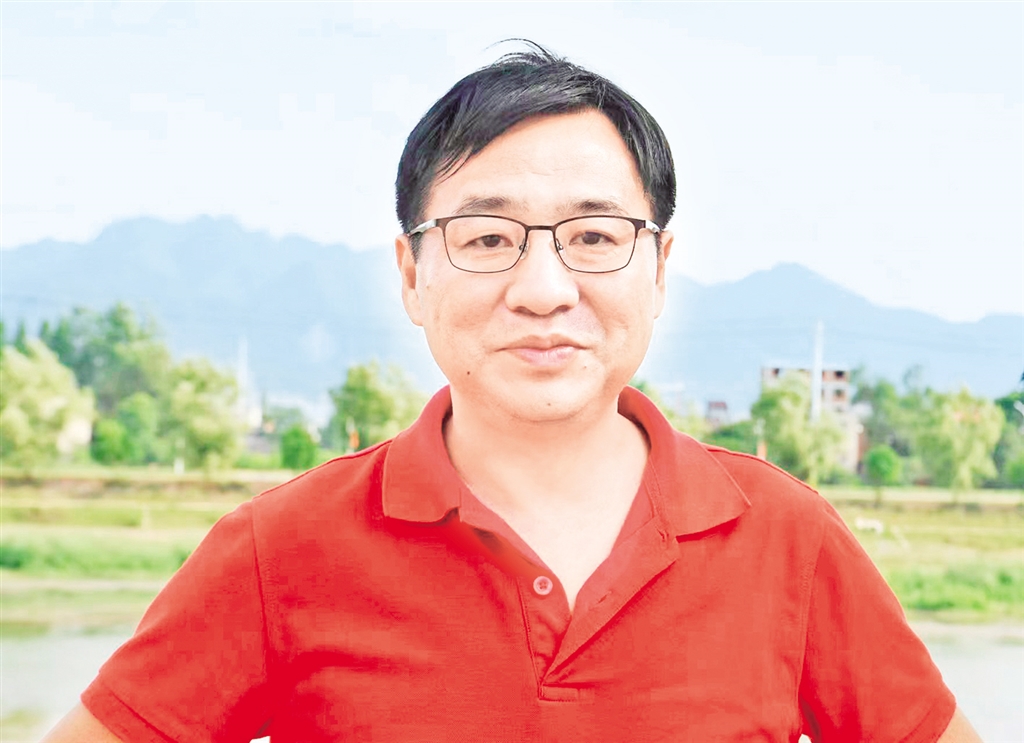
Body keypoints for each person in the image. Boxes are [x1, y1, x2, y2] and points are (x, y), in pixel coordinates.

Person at [44, 45, 981, 743]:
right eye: (487, 238)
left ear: (659, 268)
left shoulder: (786, 536)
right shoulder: (279, 549)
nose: (542, 288)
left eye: (594, 236)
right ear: (411, 274)